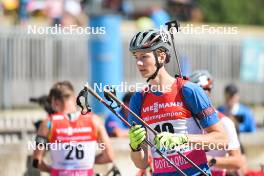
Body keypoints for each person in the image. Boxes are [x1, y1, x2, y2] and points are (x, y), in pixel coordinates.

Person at [127, 29, 228, 176]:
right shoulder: (138, 99)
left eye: (144, 56)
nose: (139, 63)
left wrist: (182, 139)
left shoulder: (189, 91)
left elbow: (222, 140)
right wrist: (134, 147)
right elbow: (141, 163)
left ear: (161, 57)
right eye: (135, 57)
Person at [32, 81, 113, 176]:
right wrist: (87, 161)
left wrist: (52, 170)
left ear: (55, 102)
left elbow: (36, 161)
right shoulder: (94, 120)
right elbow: (109, 157)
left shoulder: (48, 123)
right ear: (75, 98)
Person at [190, 70, 246, 175]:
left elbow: (238, 161)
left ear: (209, 91)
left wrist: (208, 160)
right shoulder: (186, 119)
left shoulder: (225, 122)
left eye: (199, 91)